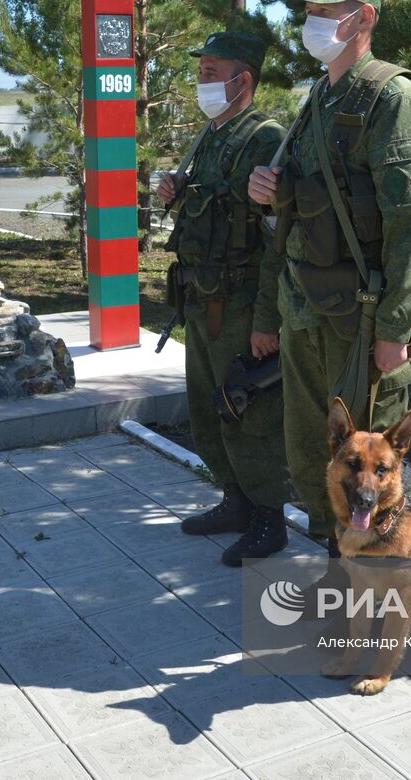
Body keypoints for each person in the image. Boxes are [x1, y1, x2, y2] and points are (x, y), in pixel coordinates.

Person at [247, 0, 411, 554]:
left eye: (330, 12)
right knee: (313, 448)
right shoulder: (318, 100)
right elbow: (310, 201)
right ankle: (340, 562)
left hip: (359, 315)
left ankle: (383, 585)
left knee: (369, 465)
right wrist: (271, 190)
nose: (315, 23)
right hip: (305, 305)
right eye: (312, 12)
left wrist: (394, 328)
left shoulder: (391, 99)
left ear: (365, 19)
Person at [158, 31, 291, 566]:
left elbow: (274, 238)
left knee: (247, 412)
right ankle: (234, 502)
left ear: (245, 80)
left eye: (212, 72)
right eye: (202, 72)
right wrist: (176, 192)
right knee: (207, 412)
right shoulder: (210, 138)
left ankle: (268, 520)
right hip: (200, 302)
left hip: (240, 306)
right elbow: (212, 217)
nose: (202, 82)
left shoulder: (265, 138)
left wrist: (267, 321)